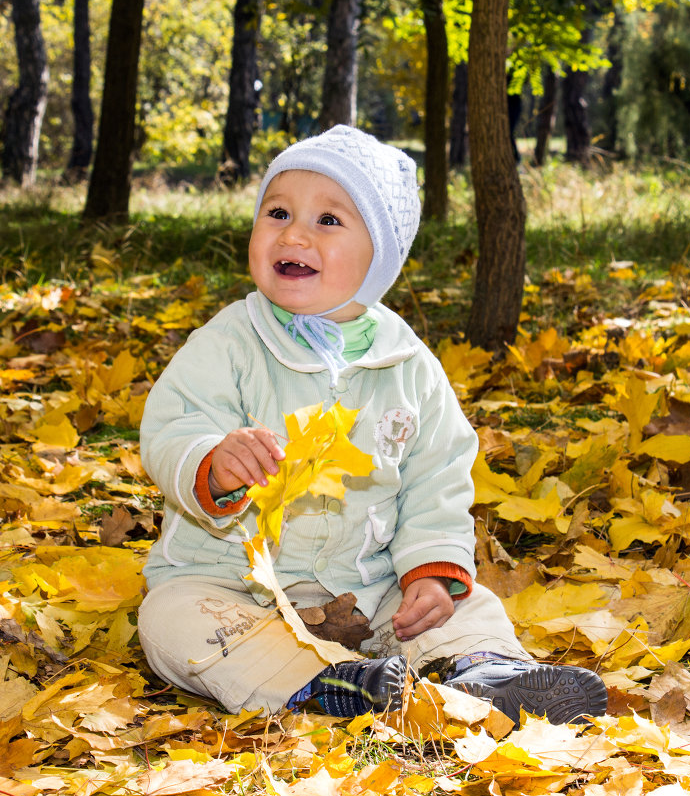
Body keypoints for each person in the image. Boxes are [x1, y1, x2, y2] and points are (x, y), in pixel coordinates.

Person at [137, 125, 607, 725]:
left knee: (466, 605)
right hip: (234, 585)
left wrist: (431, 573)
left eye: (329, 220)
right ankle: (321, 685)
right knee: (172, 621)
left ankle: (484, 671)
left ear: (379, 256)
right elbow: (173, 422)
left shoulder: (408, 365)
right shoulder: (229, 341)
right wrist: (210, 460)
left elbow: (437, 477)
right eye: (277, 212)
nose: (294, 233)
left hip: (370, 587)